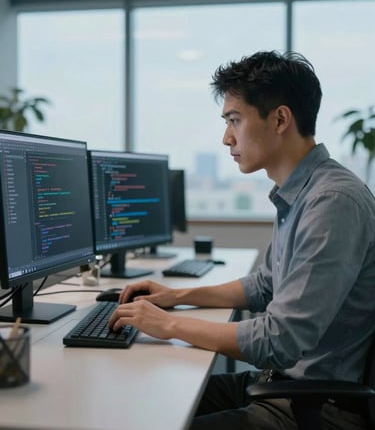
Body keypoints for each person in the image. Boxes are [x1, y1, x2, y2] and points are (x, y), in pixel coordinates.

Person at [108, 50, 375, 429]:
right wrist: (176, 297)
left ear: (280, 119)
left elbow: (280, 340)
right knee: (140, 403)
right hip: (280, 386)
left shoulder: (333, 202)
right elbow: (266, 285)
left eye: (235, 120)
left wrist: (168, 325)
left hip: (315, 407)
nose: (226, 137)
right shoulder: (301, 192)